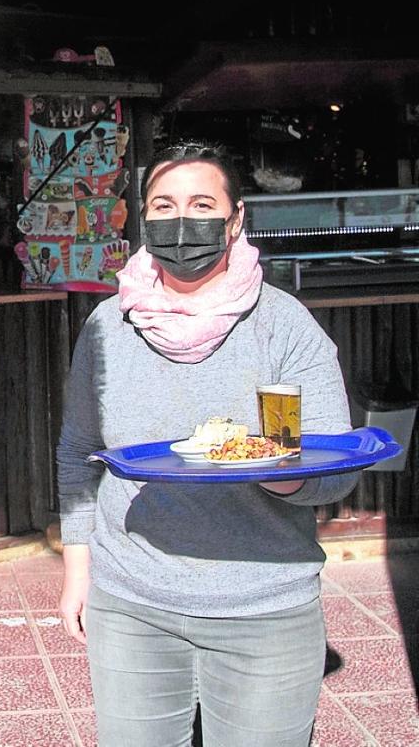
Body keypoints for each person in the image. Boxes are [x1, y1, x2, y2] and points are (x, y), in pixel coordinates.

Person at [56, 140, 357, 747]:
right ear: (143, 220)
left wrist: (284, 472)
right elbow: (78, 451)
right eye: (163, 206)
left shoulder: (283, 324)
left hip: (264, 607)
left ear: (236, 217)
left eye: (200, 203)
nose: (180, 221)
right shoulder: (107, 326)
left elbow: (339, 465)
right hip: (131, 604)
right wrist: (76, 571)